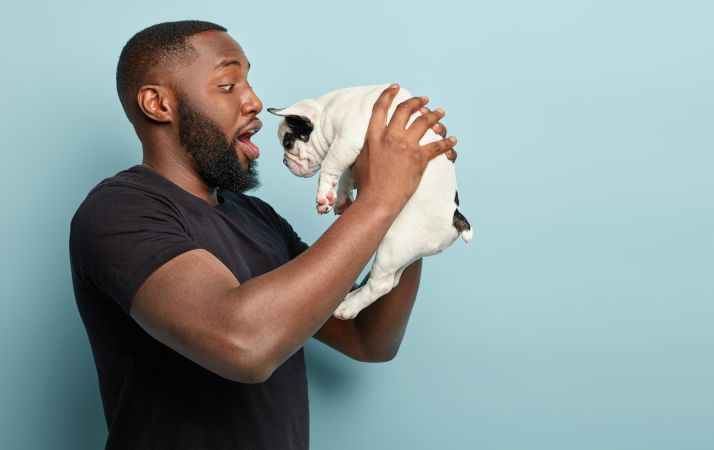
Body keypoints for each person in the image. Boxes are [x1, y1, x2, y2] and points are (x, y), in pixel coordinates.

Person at [68, 20, 457, 450]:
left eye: (249, 81)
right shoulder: (119, 211)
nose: (254, 100)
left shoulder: (259, 219)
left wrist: (409, 198)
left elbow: (368, 337)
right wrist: (382, 197)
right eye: (228, 84)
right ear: (158, 104)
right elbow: (243, 343)